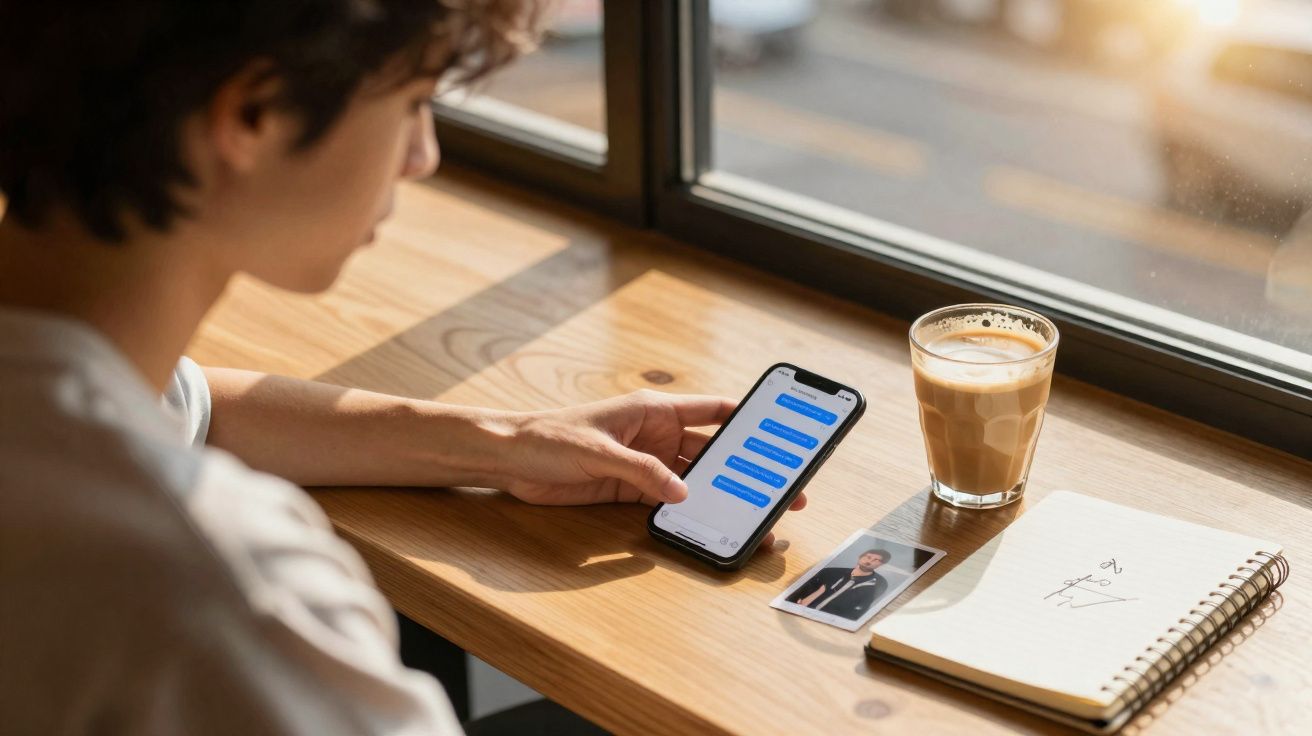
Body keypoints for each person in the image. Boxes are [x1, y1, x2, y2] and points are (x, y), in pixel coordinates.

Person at [0, 2, 809, 734]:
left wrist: (506, 443)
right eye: (413, 102)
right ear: (253, 114)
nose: (423, 155)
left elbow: (183, 405)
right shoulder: (225, 586)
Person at [786, 548, 890, 621]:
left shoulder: (876, 585)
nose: (869, 561)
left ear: (881, 564)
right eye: (868, 557)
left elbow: (857, 612)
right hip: (797, 613)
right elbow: (798, 592)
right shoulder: (830, 572)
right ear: (860, 557)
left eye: (876, 560)